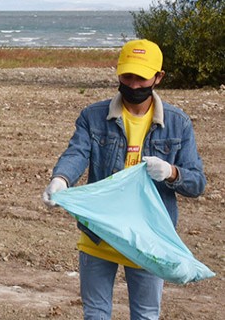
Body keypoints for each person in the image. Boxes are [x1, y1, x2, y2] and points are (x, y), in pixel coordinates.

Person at [41, 39, 206, 319]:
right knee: (95, 313)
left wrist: (171, 172)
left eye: (141, 78)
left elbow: (197, 183)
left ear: (158, 77)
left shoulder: (179, 123)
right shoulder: (93, 117)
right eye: (127, 76)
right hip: (99, 237)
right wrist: (61, 180)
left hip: (148, 242)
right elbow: (77, 153)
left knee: (145, 314)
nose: (133, 85)